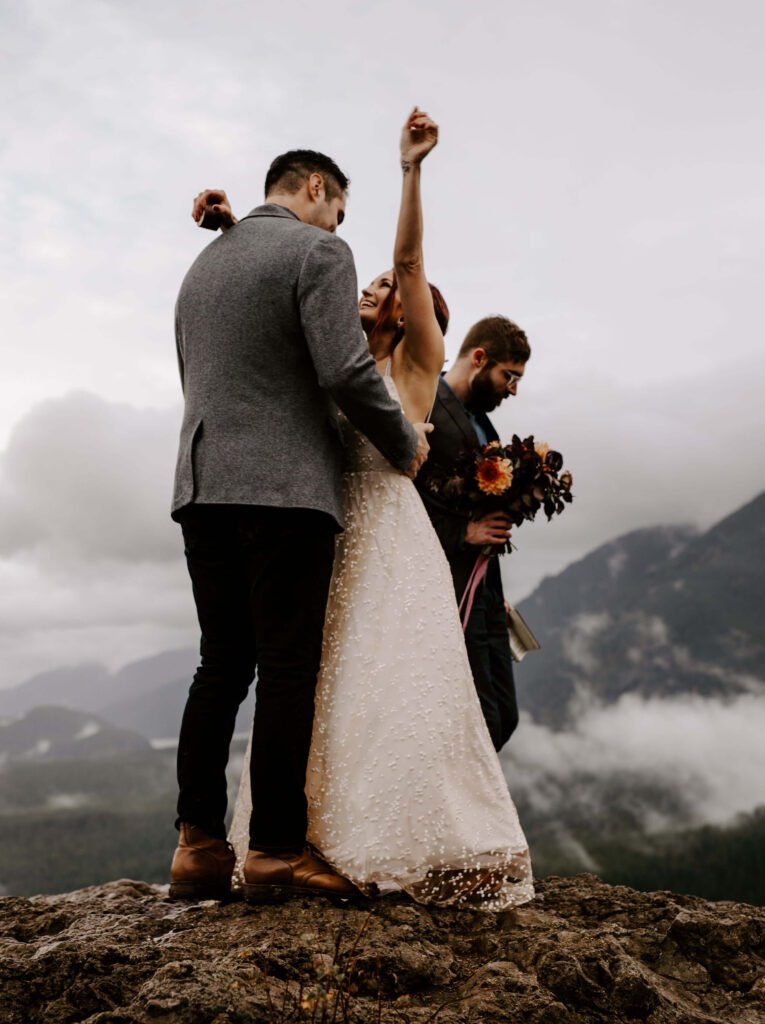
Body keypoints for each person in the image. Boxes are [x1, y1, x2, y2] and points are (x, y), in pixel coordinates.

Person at [199, 108, 533, 909]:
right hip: (317, 531)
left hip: (385, 538)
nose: (376, 288)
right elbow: (273, 296)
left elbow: (408, 258)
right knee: (313, 694)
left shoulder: (414, 367)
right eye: (371, 284)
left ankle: (407, 840)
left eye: (387, 287)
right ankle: (310, 840)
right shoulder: (328, 358)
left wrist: (410, 169)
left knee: (394, 692)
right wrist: (234, 228)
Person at [168, 144, 435, 902]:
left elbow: (200, 376)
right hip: (284, 494)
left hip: (201, 482)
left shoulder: (202, 267)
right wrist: (402, 441)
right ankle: (276, 854)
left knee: (220, 666)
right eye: (339, 209)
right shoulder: (320, 252)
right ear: (317, 189)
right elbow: (344, 369)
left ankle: (197, 847)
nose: (337, 223)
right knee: (287, 669)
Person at [414, 319, 531, 751]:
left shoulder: (487, 426)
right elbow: (403, 501)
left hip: (485, 589)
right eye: (509, 376)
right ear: (479, 359)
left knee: (505, 715)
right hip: (447, 588)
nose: (513, 388)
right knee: (480, 721)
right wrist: (466, 531)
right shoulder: (426, 405)